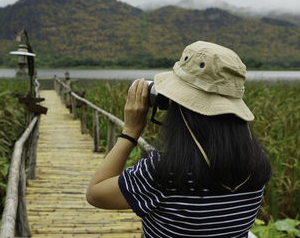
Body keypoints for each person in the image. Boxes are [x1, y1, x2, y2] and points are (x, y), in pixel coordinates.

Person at [86, 41, 272, 237]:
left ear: (178, 104)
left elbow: (95, 193)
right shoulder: (256, 164)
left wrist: (130, 131)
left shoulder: (163, 172)